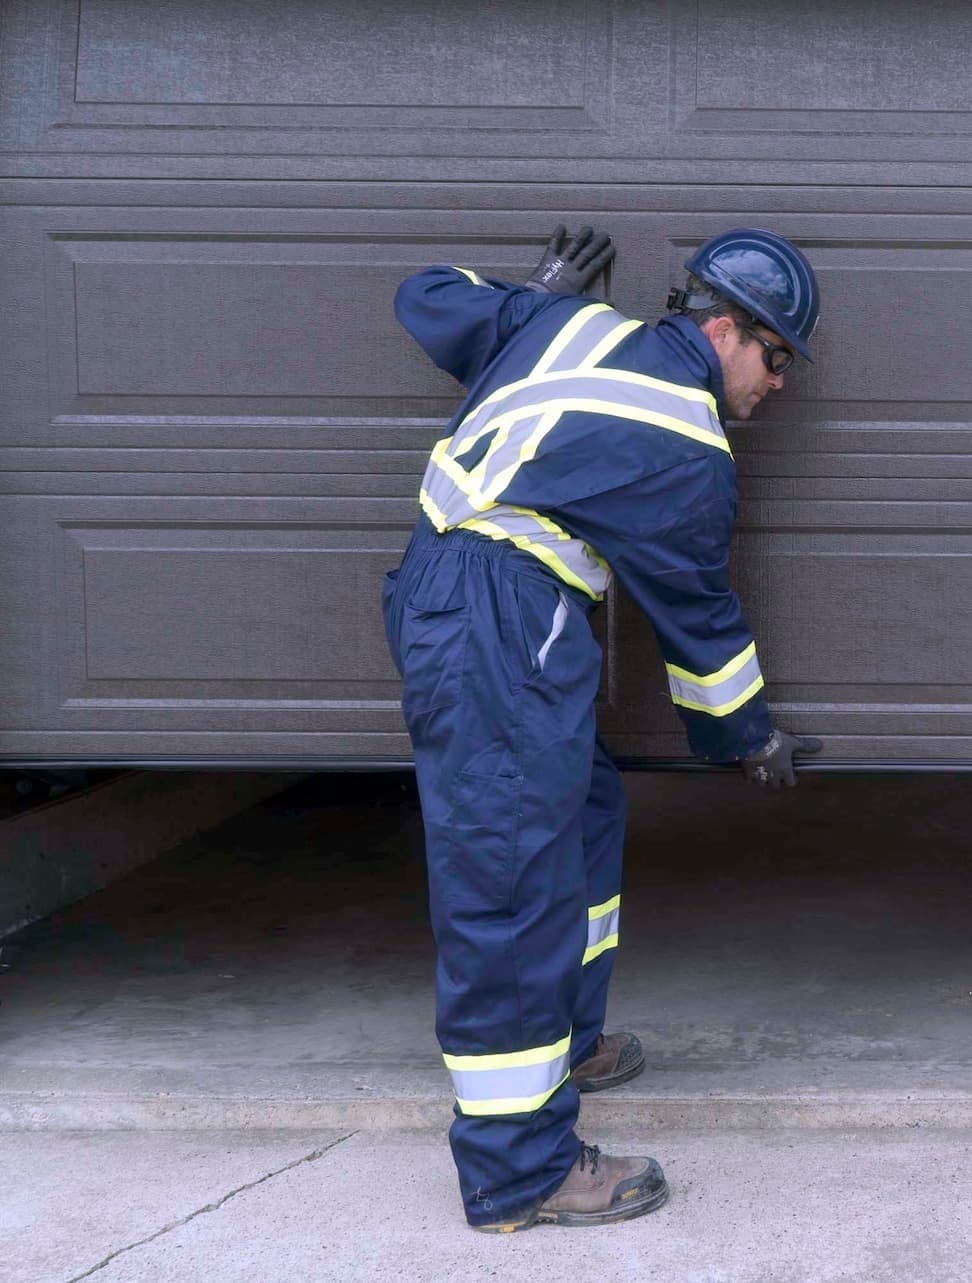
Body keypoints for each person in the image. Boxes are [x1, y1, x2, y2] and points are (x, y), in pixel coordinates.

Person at [381, 224, 824, 1232]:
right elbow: (698, 622)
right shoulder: (688, 441)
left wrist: (527, 293)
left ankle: (566, 1039)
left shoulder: (565, 322)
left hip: (468, 609)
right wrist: (747, 737)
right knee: (510, 884)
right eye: (778, 353)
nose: (780, 381)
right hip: (498, 622)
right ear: (724, 327)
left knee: (579, 817)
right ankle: (518, 1167)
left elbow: (426, 298)